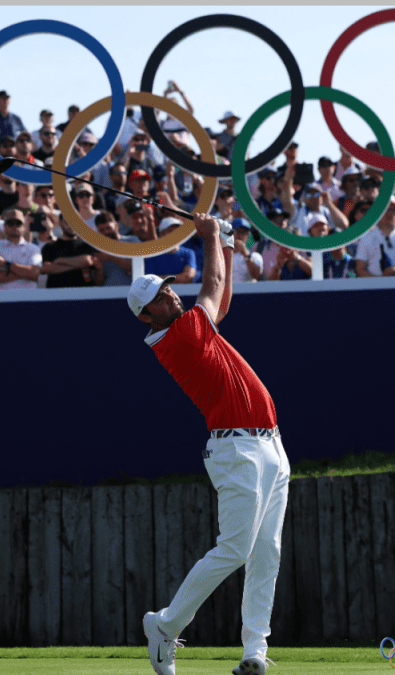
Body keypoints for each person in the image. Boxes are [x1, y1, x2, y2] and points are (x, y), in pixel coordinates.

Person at [132, 213, 287, 675]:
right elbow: (213, 282)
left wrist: (230, 246)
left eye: (168, 287)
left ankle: (254, 651)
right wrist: (211, 237)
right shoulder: (177, 336)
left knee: (268, 552)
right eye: (160, 296)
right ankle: (164, 625)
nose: (169, 292)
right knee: (235, 549)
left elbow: (222, 299)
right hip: (236, 450)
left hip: (271, 447)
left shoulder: (195, 326)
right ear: (147, 316)